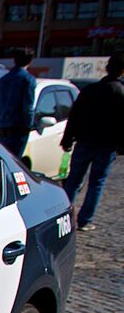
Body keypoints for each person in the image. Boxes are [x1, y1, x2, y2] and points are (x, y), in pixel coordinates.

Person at [60, 51, 124, 232]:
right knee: (96, 183)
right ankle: (85, 220)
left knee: (73, 180)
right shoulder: (121, 93)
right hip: (106, 145)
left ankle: (64, 216)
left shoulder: (90, 90)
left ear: (107, 68)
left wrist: (68, 138)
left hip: (85, 141)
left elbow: (74, 116)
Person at [0, 48, 37, 159]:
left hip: (2, 128)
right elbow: (28, 107)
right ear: (30, 61)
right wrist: (30, 125)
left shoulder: (3, 80)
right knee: (15, 163)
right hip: (18, 130)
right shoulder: (27, 79)